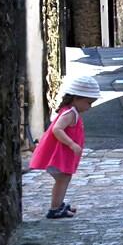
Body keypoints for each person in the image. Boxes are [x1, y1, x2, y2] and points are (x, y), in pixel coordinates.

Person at [29, 74, 100, 219]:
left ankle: (59, 204)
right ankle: (55, 208)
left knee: (63, 179)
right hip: (59, 155)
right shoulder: (69, 114)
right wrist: (71, 144)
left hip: (63, 155)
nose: (90, 107)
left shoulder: (71, 110)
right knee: (63, 179)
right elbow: (57, 129)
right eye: (88, 102)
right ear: (76, 98)